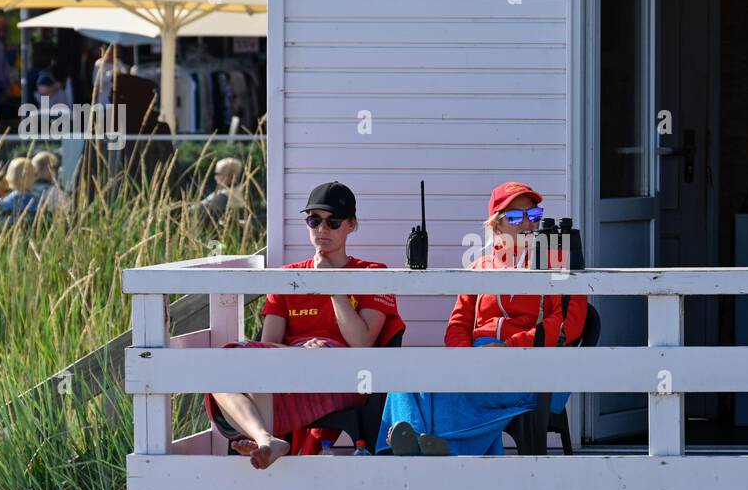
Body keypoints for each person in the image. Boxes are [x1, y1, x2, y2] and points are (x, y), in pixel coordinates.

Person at [203, 181, 404, 470]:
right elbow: (269, 343)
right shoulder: (288, 276)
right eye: (314, 220)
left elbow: (361, 343)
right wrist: (296, 351)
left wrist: (331, 285)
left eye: (332, 222)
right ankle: (266, 439)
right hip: (286, 372)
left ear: (351, 225)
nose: (322, 229)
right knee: (221, 367)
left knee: (253, 372)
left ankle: (264, 439)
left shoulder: (372, 273)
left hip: (344, 375)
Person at [377, 181, 587, 457]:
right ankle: (419, 441)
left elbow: (569, 324)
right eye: (514, 217)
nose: (527, 223)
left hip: (530, 367)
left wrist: (509, 347)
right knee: (404, 375)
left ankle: (426, 447)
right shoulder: (480, 266)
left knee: (441, 392)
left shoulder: (557, 261)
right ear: (496, 226)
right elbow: (458, 324)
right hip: (477, 363)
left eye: (533, 215)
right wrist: (467, 360)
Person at [199, 157, 248, 221]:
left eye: (217, 174)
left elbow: (199, 208)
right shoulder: (239, 191)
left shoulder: (223, 195)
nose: (215, 177)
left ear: (230, 176)